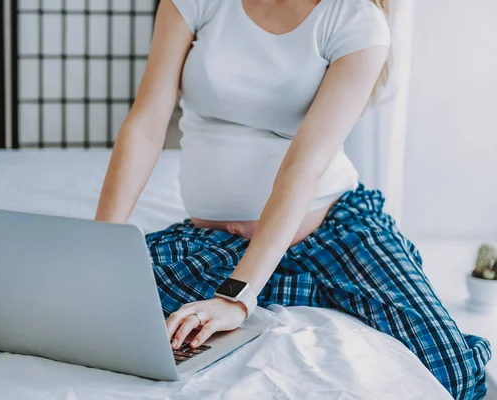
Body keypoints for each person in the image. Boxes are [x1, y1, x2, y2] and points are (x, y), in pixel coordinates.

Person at [94, 0, 490, 397]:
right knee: (107, 304)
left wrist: (236, 296)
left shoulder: (357, 20)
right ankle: (289, 284)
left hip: (336, 232)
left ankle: (273, 284)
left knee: (451, 368)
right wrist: (101, 244)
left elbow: (303, 165)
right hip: (218, 244)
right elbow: (146, 122)